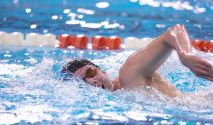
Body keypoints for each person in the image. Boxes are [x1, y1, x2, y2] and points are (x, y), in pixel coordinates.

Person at [61, 24, 213, 97]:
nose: (92, 81)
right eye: (83, 81)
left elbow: (174, 31)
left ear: (102, 70)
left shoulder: (129, 74)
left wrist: (185, 54)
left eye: (91, 72)